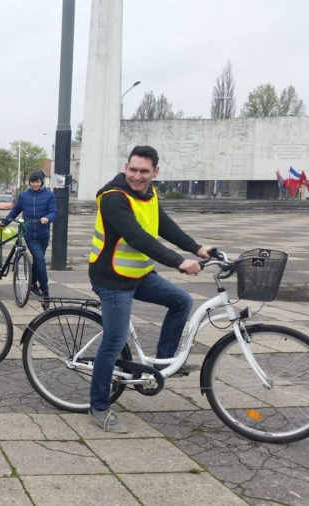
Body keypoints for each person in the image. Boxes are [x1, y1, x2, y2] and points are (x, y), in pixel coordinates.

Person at [87, 145, 211, 433]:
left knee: (181, 301)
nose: (137, 176)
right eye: (133, 169)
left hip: (139, 274)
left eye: (144, 171)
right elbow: (138, 237)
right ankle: (99, 406)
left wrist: (197, 248)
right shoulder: (113, 198)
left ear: (155, 172)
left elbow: (164, 226)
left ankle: (164, 362)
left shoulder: (150, 194)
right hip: (112, 279)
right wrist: (179, 261)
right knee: (114, 341)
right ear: (125, 167)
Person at [0, 170, 58, 297]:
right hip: (29, 233)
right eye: (32, 182)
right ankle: (45, 290)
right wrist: (4, 223)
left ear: (41, 182)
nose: (35, 184)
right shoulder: (23, 196)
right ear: (29, 182)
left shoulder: (49, 195)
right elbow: (14, 212)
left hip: (43, 233)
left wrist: (47, 218)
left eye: (37, 182)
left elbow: (54, 212)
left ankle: (32, 284)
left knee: (38, 261)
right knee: (40, 259)